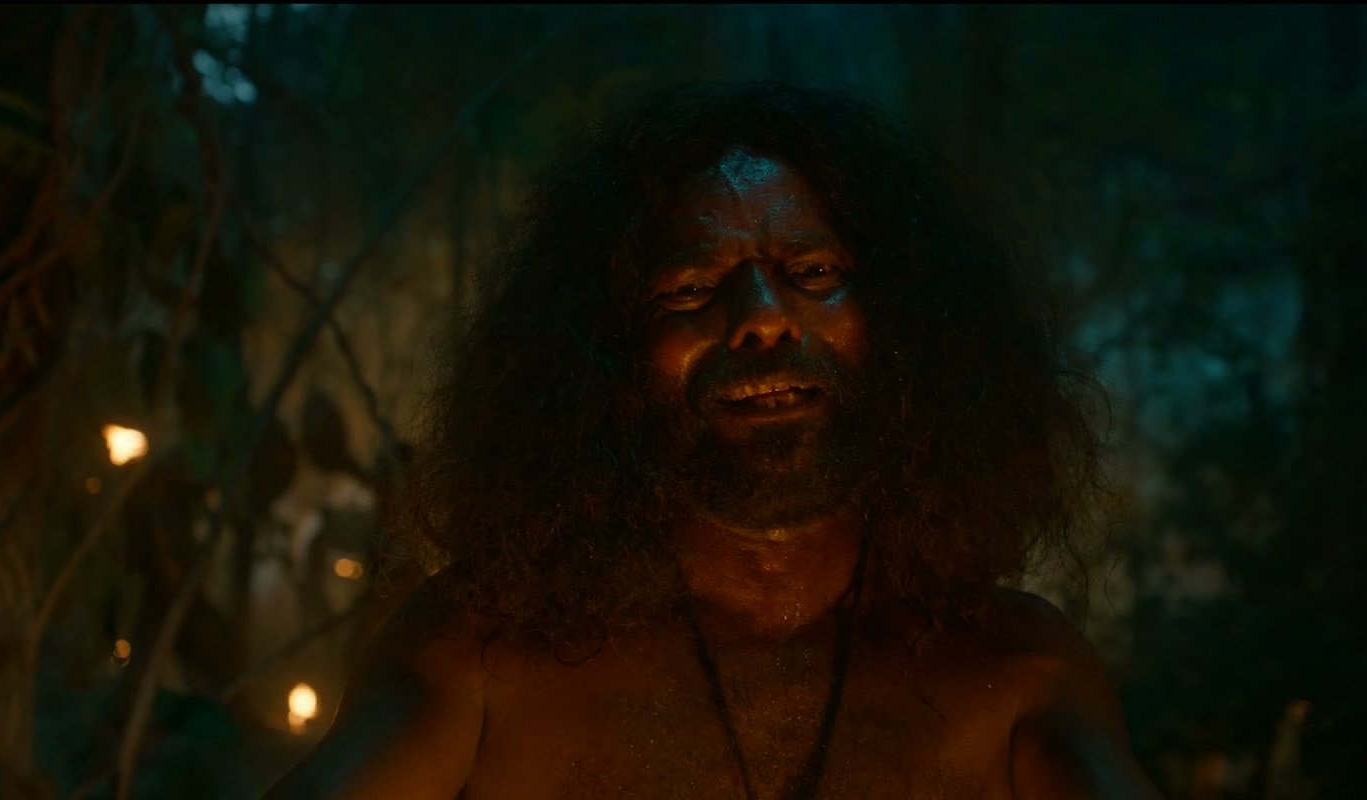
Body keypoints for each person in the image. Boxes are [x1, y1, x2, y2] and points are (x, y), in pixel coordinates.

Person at [267, 82, 1162, 799]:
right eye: (692, 290)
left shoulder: (1017, 675)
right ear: (605, 358)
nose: (762, 319)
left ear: (902, 326)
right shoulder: (478, 661)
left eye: (812, 272)